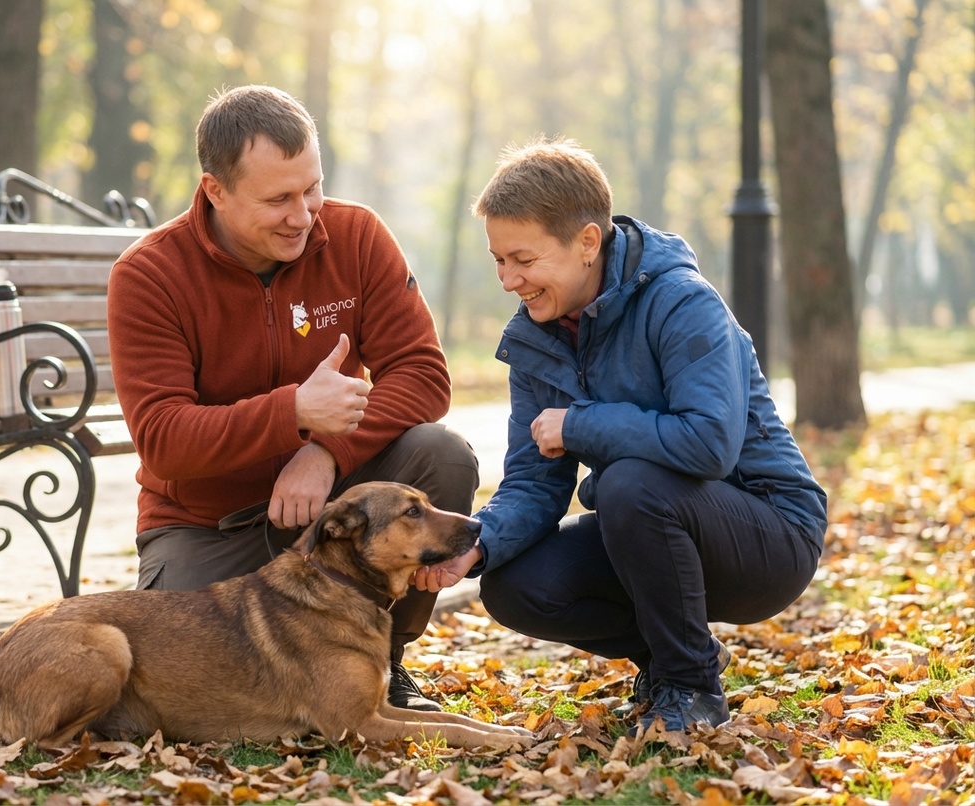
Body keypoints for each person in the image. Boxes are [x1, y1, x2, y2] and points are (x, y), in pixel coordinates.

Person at [411, 138, 828, 732]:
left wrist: (581, 424)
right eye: (498, 260)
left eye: (522, 260)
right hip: (654, 532)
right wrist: (480, 546)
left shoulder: (681, 301)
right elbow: (534, 481)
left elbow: (711, 443)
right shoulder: (536, 337)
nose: (508, 280)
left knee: (631, 484)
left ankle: (692, 689)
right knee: (515, 586)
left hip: (769, 533)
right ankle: (673, 658)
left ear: (586, 242)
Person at [107, 85, 478, 711]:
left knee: (441, 455)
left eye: (312, 188)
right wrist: (292, 415)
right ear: (215, 190)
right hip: (208, 526)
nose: (303, 215)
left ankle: (381, 662)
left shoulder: (357, 237)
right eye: (278, 198)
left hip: (336, 518)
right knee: (197, 680)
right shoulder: (149, 276)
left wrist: (327, 450)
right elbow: (163, 439)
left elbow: (422, 374)